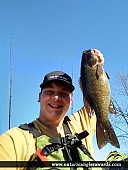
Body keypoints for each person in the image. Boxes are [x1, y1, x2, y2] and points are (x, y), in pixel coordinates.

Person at [0, 49, 104, 170]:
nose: (56, 98)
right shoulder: (14, 140)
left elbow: (99, 98)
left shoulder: (80, 123)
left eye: (64, 93)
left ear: (71, 101)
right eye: (49, 92)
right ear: (39, 97)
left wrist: (97, 68)